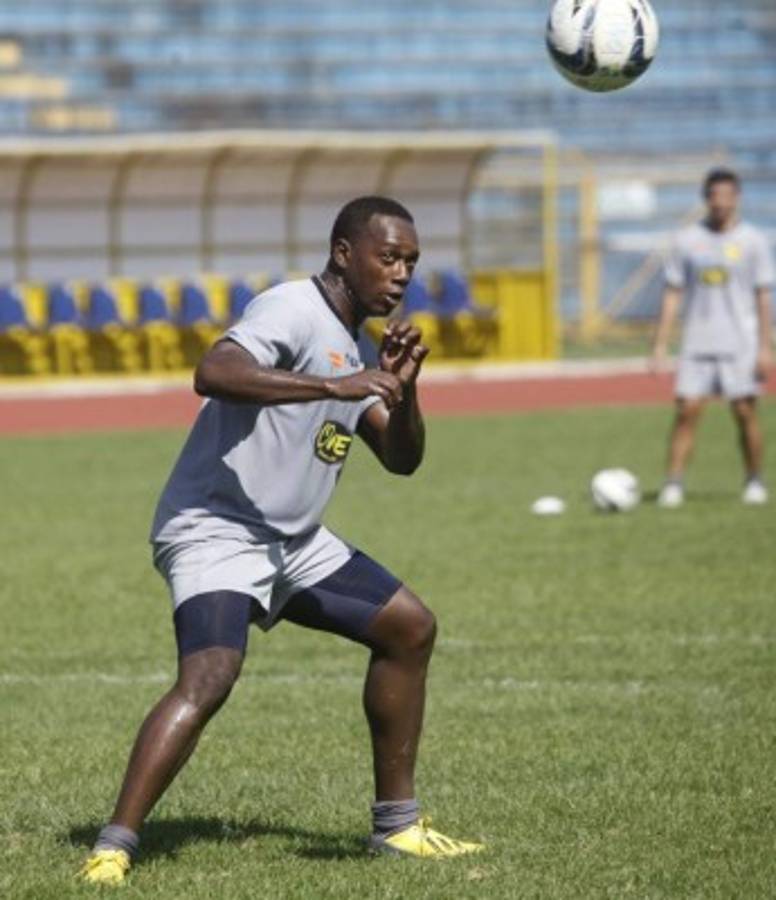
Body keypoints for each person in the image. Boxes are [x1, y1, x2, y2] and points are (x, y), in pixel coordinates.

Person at [80, 196, 483, 886]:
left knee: (409, 629)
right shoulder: (292, 308)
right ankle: (113, 846)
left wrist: (404, 393)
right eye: (389, 257)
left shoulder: (356, 346)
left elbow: (402, 459)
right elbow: (214, 372)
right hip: (217, 528)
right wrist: (336, 382)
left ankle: (399, 827)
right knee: (209, 677)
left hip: (294, 542)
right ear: (343, 253)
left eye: (411, 262)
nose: (402, 274)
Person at [652, 168, 775, 508]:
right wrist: (661, 342)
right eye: (713, 196)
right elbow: (673, 292)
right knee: (687, 410)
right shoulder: (686, 241)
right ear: (705, 198)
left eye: (726, 196)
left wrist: (766, 346)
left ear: (737, 198)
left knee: (745, 411)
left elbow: (763, 296)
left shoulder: (753, 241)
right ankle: (673, 484)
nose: (720, 202)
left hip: (741, 341)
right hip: (697, 340)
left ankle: (754, 479)